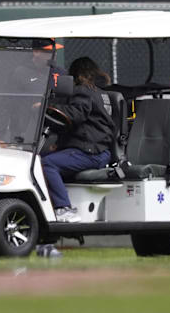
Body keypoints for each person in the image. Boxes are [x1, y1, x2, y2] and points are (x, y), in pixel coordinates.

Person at [41, 57, 115, 223]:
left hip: (90, 152)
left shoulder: (83, 90)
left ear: (76, 75)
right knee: (48, 158)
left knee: (46, 164)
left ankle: (64, 208)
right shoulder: (100, 93)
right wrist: (59, 145)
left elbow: (76, 115)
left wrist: (47, 108)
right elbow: (85, 125)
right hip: (99, 151)